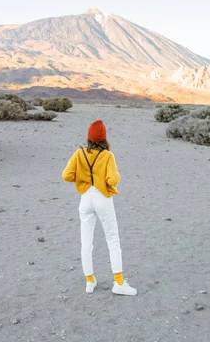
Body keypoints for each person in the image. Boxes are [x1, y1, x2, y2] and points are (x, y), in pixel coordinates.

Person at [62, 119, 137, 296]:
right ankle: (118, 282)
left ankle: (90, 281)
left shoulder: (79, 153)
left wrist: (82, 178)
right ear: (104, 138)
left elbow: (66, 175)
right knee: (112, 239)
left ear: (89, 137)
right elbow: (113, 179)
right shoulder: (108, 156)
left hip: (85, 199)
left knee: (86, 242)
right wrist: (109, 176)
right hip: (103, 199)